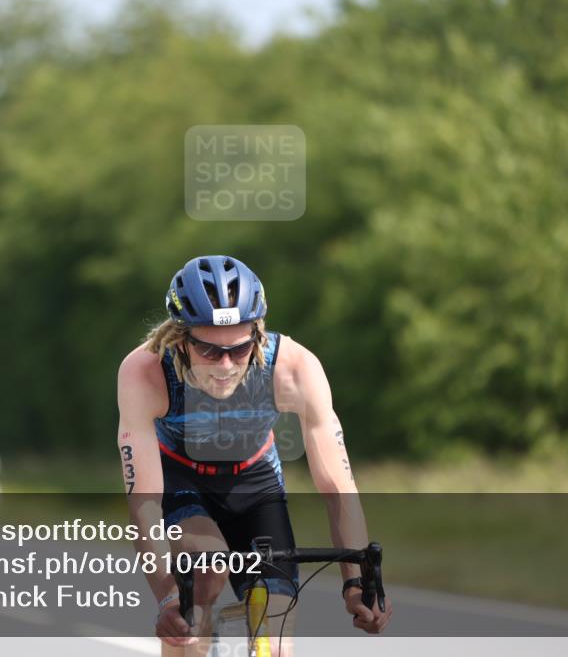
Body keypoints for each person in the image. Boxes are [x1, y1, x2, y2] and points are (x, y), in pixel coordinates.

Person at [117, 255, 392, 656]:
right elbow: (144, 505)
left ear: (258, 334)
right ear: (180, 339)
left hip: (255, 480)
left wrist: (356, 584)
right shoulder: (145, 371)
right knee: (205, 574)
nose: (226, 365)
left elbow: (338, 487)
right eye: (209, 351)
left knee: (276, 637)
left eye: (240, 348)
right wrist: (167, 598)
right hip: (181, 479)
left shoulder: (294, 367)